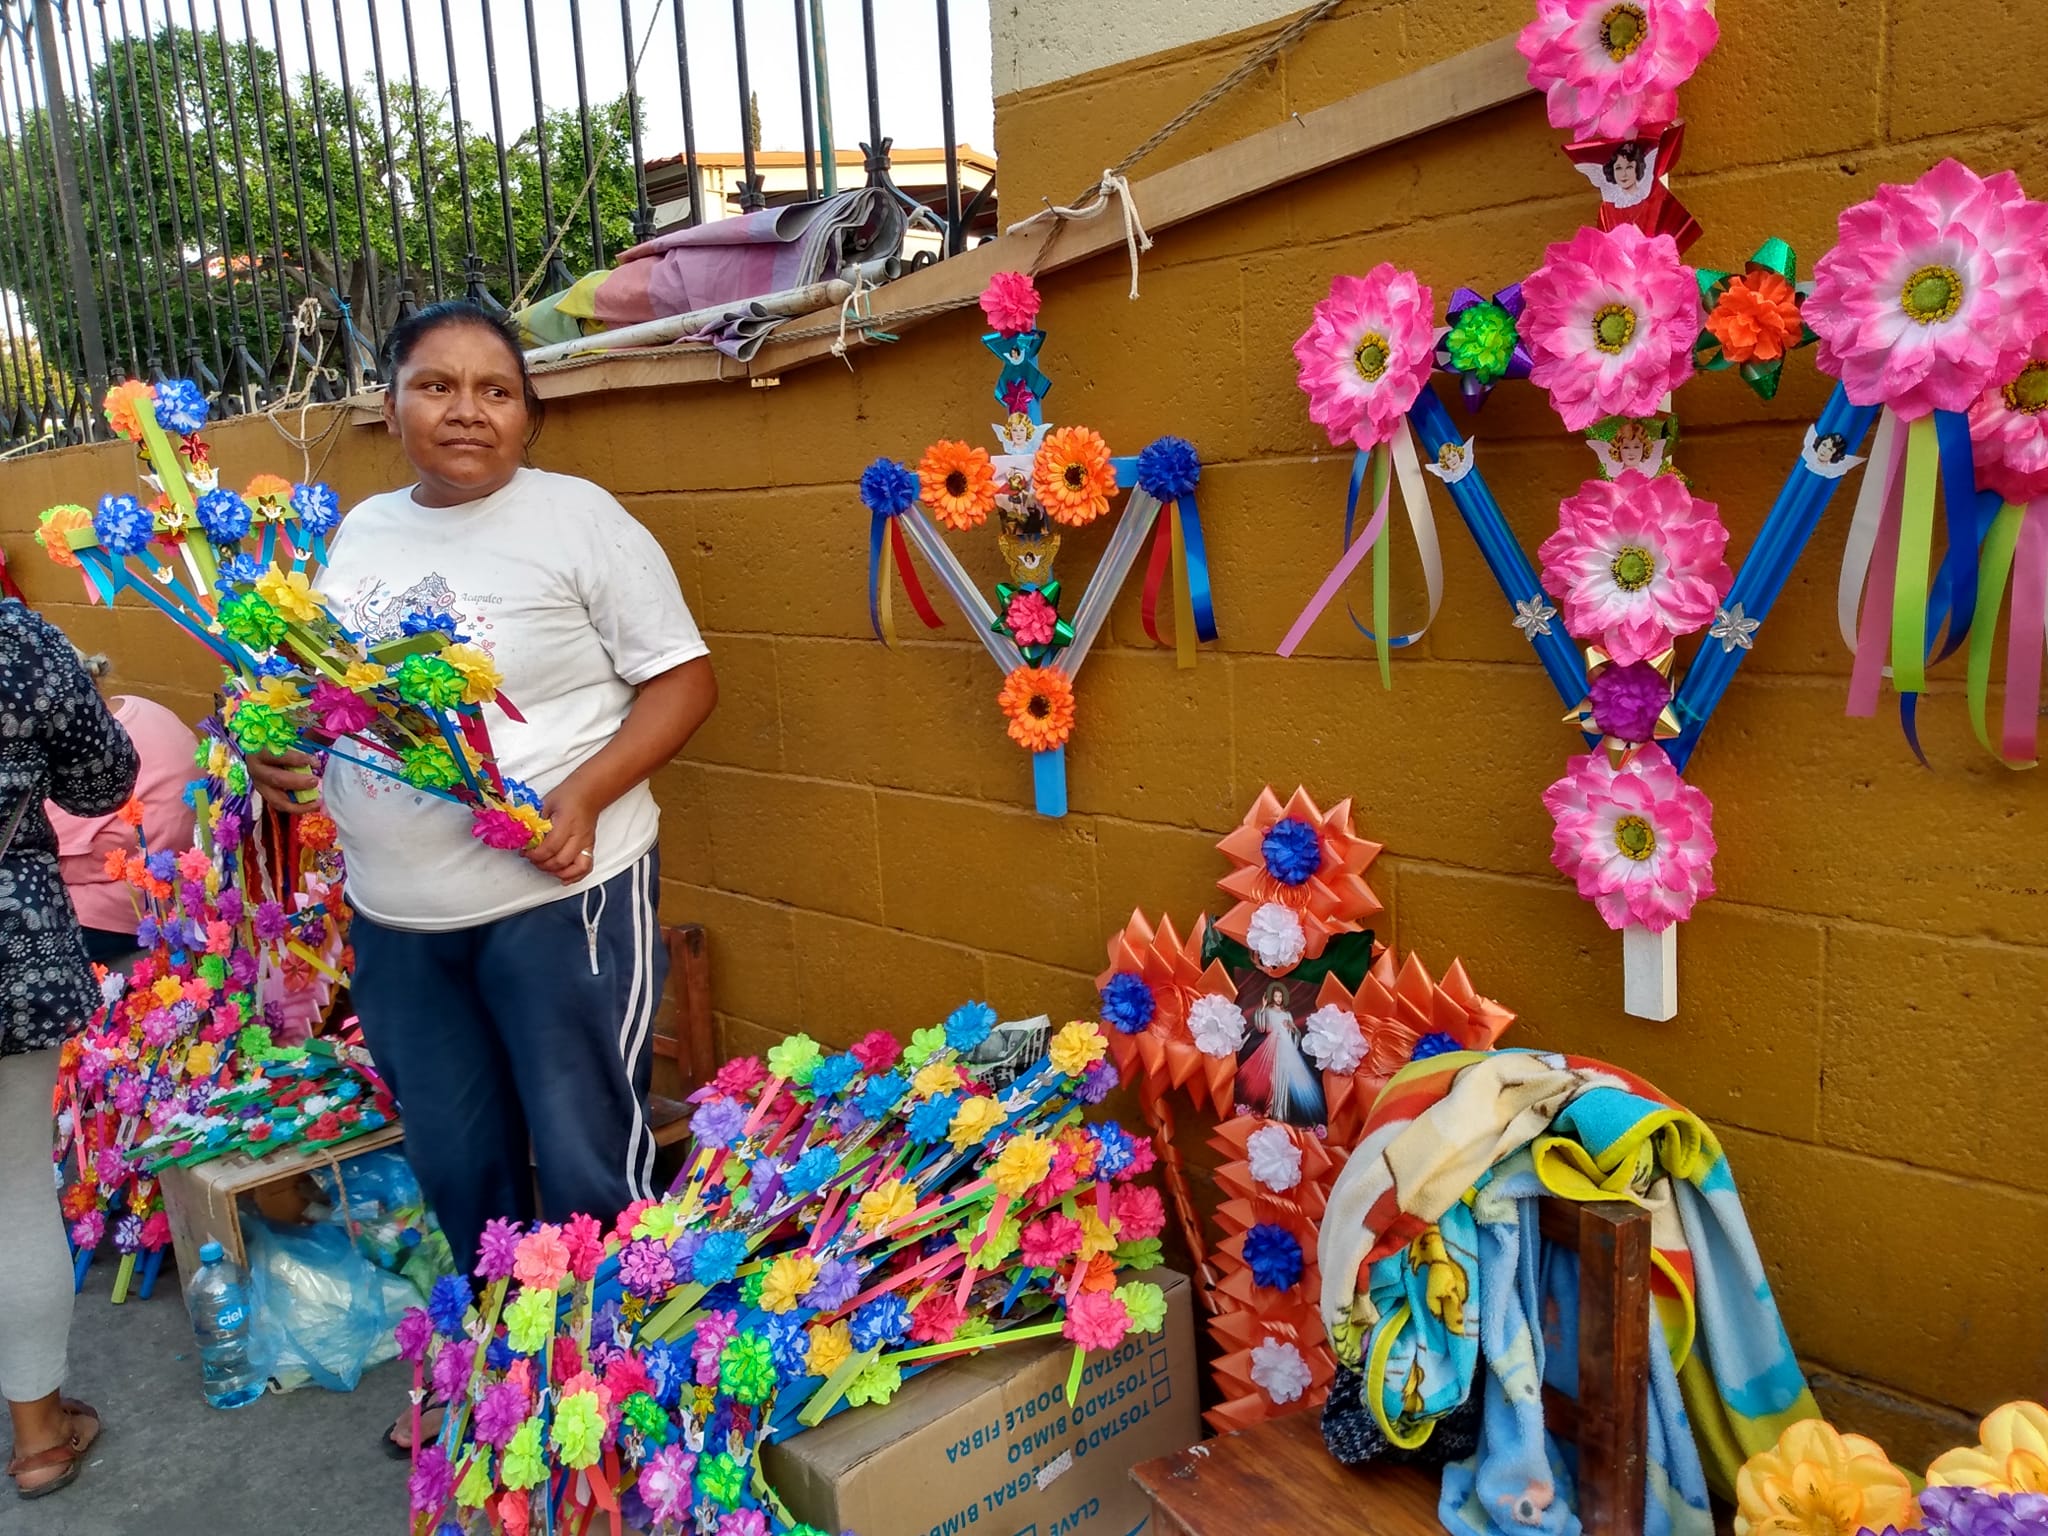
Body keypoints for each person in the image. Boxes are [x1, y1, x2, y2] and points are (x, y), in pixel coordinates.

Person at [245, 300, 718, 1451]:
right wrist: (286, 754)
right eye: (435, 385)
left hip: (559, 900)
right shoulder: (360, 532)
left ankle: (627, 1379)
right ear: (393, 401)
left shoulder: (578, 521)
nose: (465, 410)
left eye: (493, 390)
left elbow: (683, 682)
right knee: (458, 1162)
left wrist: (586, 796)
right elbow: (326, 702)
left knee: (581, 1148)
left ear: (528, 412)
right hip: (397, 915)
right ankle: (504, 1367)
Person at [0, 603, 134, 1497]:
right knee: (11, 1187)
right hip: (9, 945)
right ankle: (41, 1436)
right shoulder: (12, 638)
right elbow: (100, 778)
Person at [45, 649, 199, 967]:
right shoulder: (141, 706)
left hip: (128, 917)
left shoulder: (73, 769)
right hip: (190, 877)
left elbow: (39, 859)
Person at [1238, 980, 1324, 1128]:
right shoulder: (1268, 1011)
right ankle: (1268, 1107)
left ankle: (1281, 1112)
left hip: (1287, 1047)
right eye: (1276, 996)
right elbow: (1262, 1027)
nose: (1278, 999)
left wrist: (1292, 1029)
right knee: (1271, 1078)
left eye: (1280, 997)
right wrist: (1263, 1007)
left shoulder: (1287, 1014)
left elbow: (1295, 1034)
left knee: (1284, 1080)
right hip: (1271, 1045)